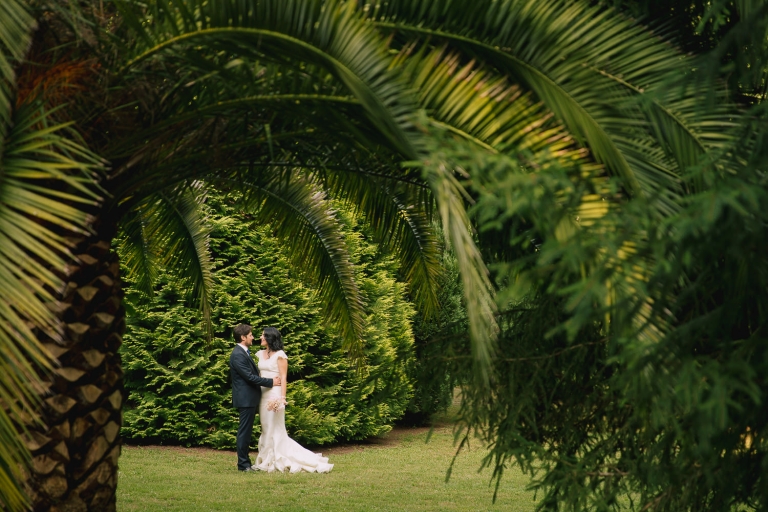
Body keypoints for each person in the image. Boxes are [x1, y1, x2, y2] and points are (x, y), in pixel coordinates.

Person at [253, 327, 333, 473]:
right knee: (265, 427)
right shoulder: (260, 354)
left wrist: (282, 398)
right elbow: (259, 375)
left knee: (273, 426)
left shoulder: (280, 355)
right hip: (263, 394)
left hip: (274, 394)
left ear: (270, 338)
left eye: (263, 336)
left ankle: (274, 458)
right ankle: (265, 458)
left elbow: (283, 377)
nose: (260, 338)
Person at [230, 323, 281, 472]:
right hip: (245, 399)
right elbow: (250, 377)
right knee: (244, 432)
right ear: (243, 337)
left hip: (249, 398)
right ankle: (243, 465)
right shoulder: (238, 354)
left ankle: (245, 462)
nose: (253, 337)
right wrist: (271, 382)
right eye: (251, 335)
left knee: (246, 431)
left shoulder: (244, 352)